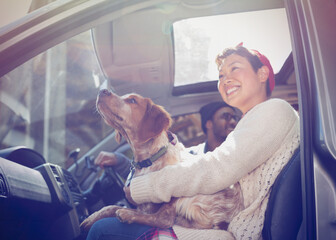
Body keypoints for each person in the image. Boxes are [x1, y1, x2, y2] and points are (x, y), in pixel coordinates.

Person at [89, 44, 300, 240]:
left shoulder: (275, 110)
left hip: (238, 233)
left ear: (262, 73)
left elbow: (218, 170)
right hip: (224, 228)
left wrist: (143, 187)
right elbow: (207, 167)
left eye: (235, 69)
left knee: (102, 231)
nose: (225, 79)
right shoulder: (250, 123)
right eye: (221, 75)